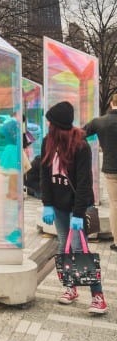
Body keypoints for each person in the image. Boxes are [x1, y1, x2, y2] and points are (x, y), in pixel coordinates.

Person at [40, 101, 107, 314]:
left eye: (50, 123)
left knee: (79, 248)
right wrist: (47, 204)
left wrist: (78, 214)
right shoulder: (47, 143)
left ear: (58, 125)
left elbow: (85, 183)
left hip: (77, 207)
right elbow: (44, 176)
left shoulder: (80, 146)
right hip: (58, 206)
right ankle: (70, 287)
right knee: (63, 246)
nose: (48, 126)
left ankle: (98, 296)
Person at [83, 92, 117, 252]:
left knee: (115, 204)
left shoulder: (100, 122)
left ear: (111, 103)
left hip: (111, 170)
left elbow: (80, 134)